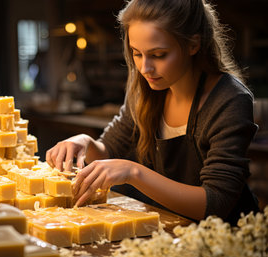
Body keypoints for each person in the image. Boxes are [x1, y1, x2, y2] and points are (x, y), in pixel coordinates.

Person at [46, 0, 259, 224]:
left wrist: (133, 172)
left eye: (158, 55)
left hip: (227, 236)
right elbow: (109, 149)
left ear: (193, 45)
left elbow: (215, 204)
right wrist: (86, 143)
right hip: (174, 228)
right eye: (137, 53)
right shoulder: (147, 88)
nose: (145, 68)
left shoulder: (229, 99)